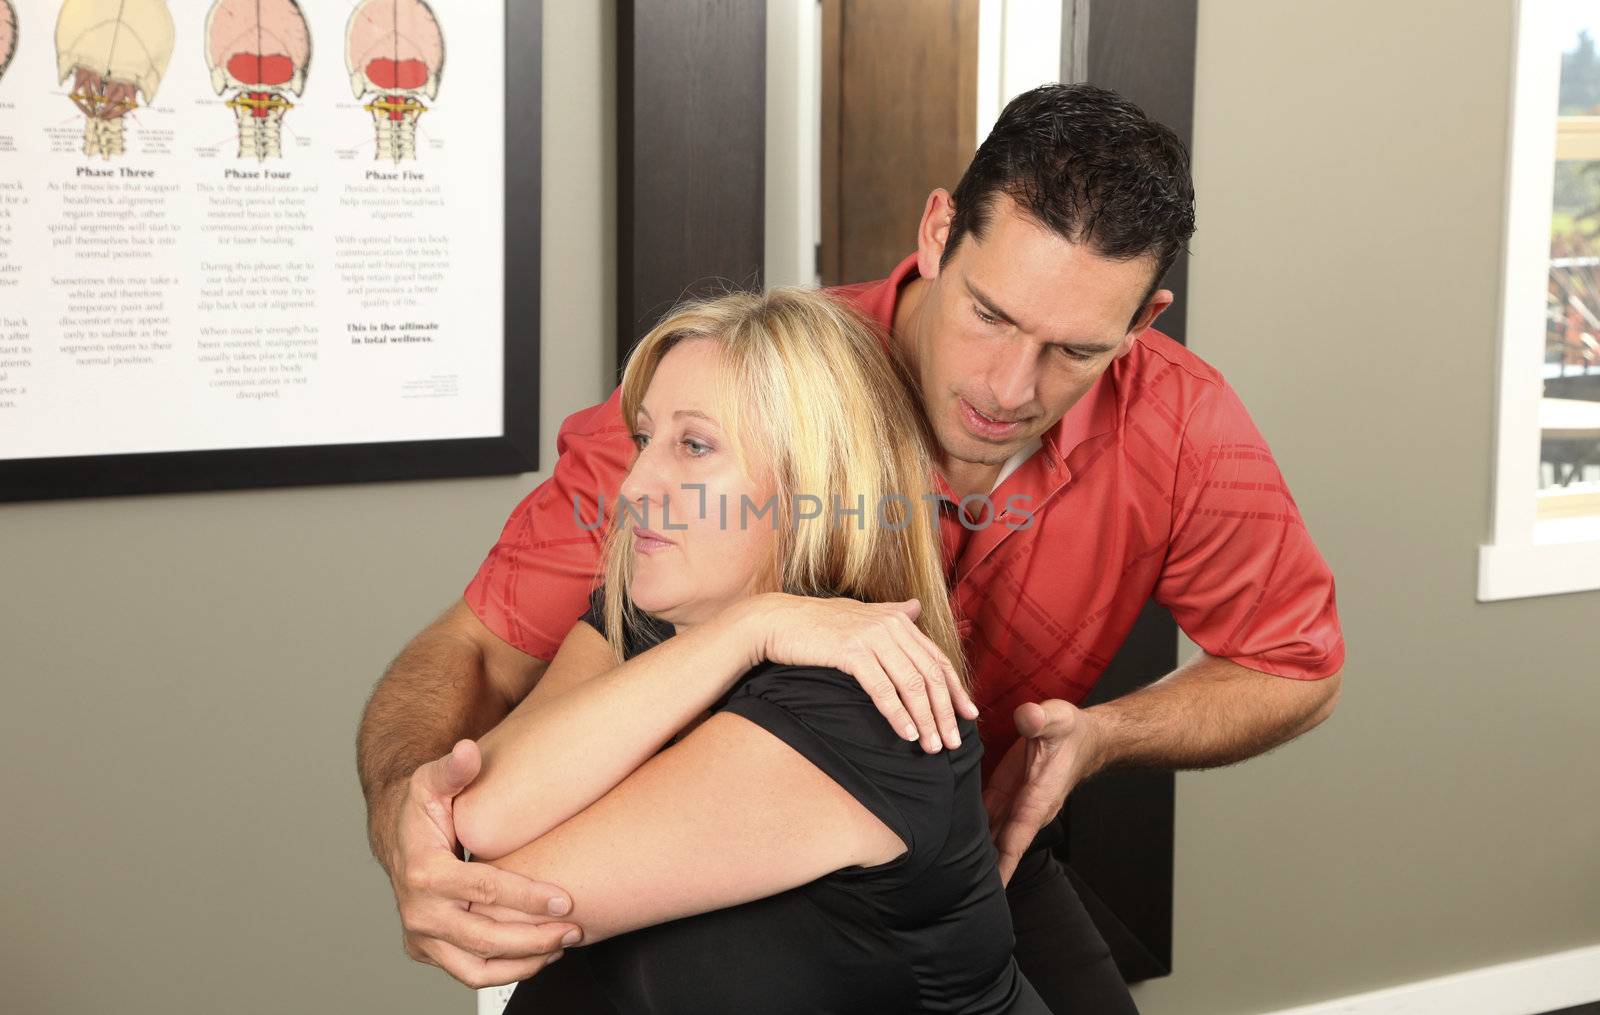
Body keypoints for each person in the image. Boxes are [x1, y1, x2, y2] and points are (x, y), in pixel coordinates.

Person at [357, 83, 1345, 1013]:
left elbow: (1291, 667)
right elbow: (479, 654)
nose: (1009, 386)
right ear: (933, 235)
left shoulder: (1181, 427)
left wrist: (1097, 740)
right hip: (711, 808)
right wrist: (407, 812)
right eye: (989, 314)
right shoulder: (736, 397)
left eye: (1075, 350)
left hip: (926, 825)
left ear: (1142, 325)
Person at [449, 287, 1051, 1013]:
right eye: (645, 440)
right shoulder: (658, 610)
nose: (636, 484)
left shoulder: (863, 707)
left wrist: (750, 627)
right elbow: (482, 811)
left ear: (810, 486)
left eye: (694, 446)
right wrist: (747, 626)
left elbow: (493, 899)